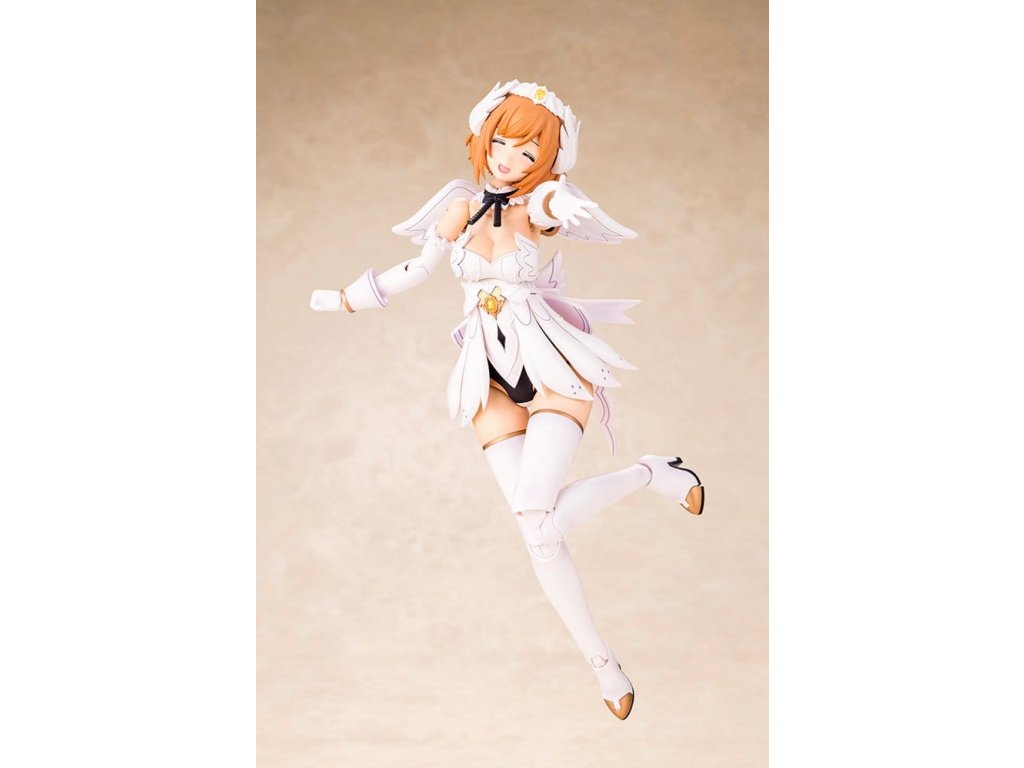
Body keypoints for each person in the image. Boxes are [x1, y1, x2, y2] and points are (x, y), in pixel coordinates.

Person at [310, 80, 704, 720]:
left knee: (538, 521)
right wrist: (347, 299)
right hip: (486, 377)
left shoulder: (540, 202)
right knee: (537, 534)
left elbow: (554, 205)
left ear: (548, 159)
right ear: (482, 140)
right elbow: (418, 270)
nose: (511, 160)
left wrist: (557, 196)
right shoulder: (460, 207)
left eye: (529, 152)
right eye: (502, 143)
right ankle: (603, 661)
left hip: (550, 367)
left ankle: (649, 475)